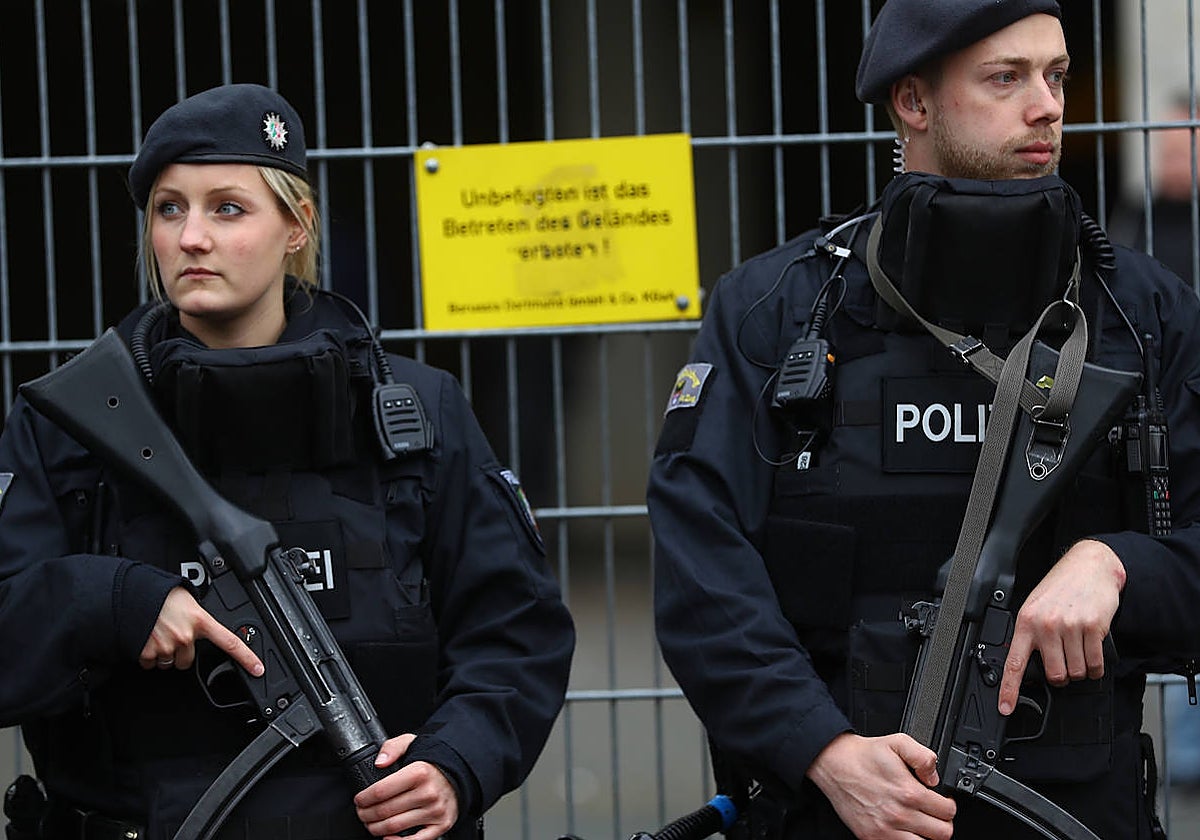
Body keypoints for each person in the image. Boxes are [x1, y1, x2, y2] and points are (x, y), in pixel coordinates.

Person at [648, 2, 1200, 838]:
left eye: (1055, 76)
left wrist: (1120, 565)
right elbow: (701, 566)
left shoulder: (1144, 314)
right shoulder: (781, 308)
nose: (1047, 107)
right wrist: (822, 747)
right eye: (1005, 79)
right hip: (835, 809)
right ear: (912, 102)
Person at [0, 83, 574, 840]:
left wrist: (455, 764)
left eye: (227, 209)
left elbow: (516, 630)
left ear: (296, 225)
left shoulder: (412, 412)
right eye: (169, 209)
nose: (191, 238)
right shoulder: (69, 426)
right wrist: (108, 601)